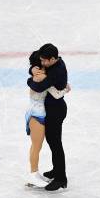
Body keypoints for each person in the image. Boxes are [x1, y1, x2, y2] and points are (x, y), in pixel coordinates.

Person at [25, 50, 70, 188]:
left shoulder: (42, 74)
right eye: (41, 62)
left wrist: (31, 73)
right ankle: (33, 174)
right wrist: (64, 90)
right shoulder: (40, 76)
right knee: (37, 146)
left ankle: (40, 173)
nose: (44, 64)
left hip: (43, 113)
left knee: (44, 144)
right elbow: (55, 92)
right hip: (36, 115)